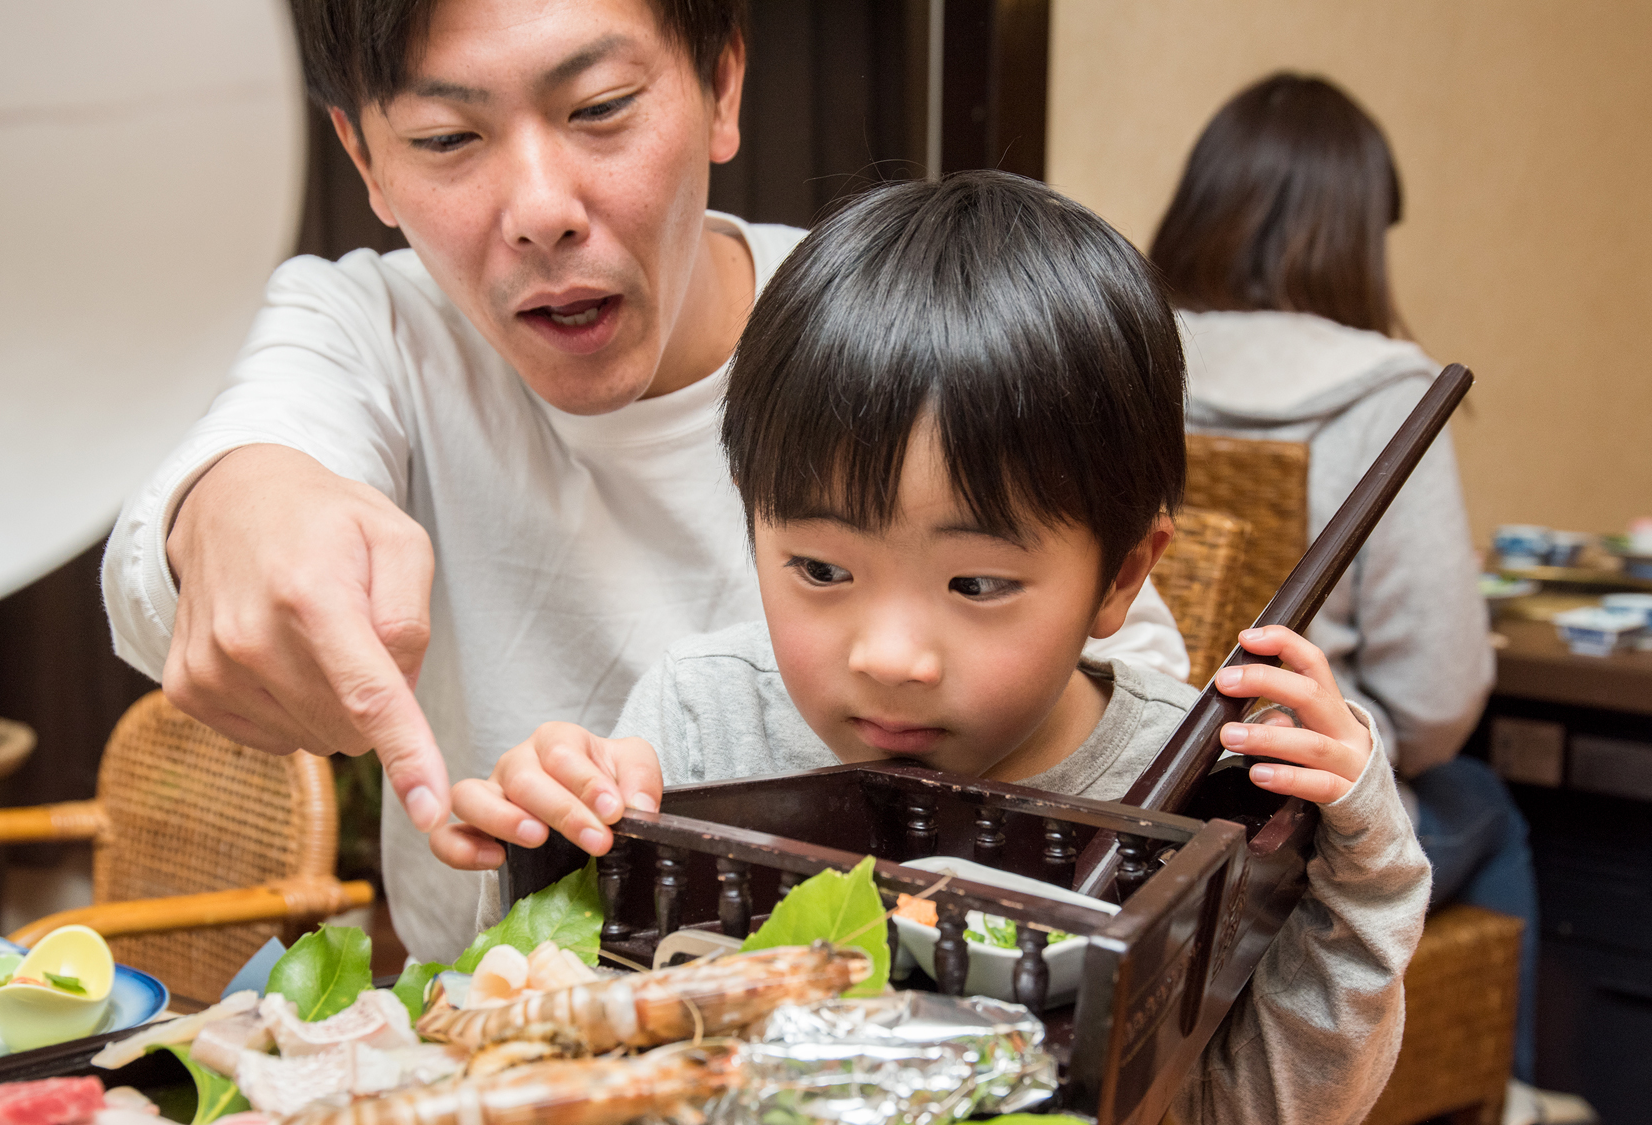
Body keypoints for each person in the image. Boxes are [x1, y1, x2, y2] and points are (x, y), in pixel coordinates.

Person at [99, 0, 1187, 962]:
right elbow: (213, 495)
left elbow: (1109, 706)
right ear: (365, 159)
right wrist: (238, 506)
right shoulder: (371, 329)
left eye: (601, 107)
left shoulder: (871, 337)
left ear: (720, 84)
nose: (541, 209)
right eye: (445, 137)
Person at [439, 172, 1432, 1125]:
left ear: (1122, 577)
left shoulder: (1191, 795)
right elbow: (555, 1058)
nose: (890, 657)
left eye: (976, 585)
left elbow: (1244, 1111)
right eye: (821, 571)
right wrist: (557, 855)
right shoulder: (701, 724)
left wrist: (1364, 876)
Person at [1146, 73, 1569, 1119]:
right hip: (1293, 802)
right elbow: (1432, 700)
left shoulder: (1126, 354)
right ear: (1355, 231)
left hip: (1144, 775)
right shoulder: (1390, 394)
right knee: (1485, 801)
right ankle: (1501, 1093)